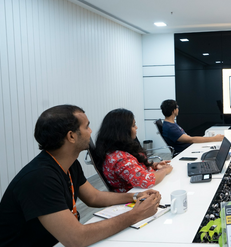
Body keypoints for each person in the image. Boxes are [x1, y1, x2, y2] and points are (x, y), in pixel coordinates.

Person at [0, 105, 161, 247]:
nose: (91, 131)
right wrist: (136, 214)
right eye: (87, 127)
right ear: (71, 136)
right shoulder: (39, 178)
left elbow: (94, 197)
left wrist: (135, 196)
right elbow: (77, 239)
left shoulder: (69, 164)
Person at [95, 108, 173, 193]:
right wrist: (164, 170)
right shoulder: (120, 159)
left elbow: (134, 166)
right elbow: (147, 180)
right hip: (135, 198)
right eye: (133, 125)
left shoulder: (121, 149)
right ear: (122, 131)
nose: (136, 127)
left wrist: (153, 165)